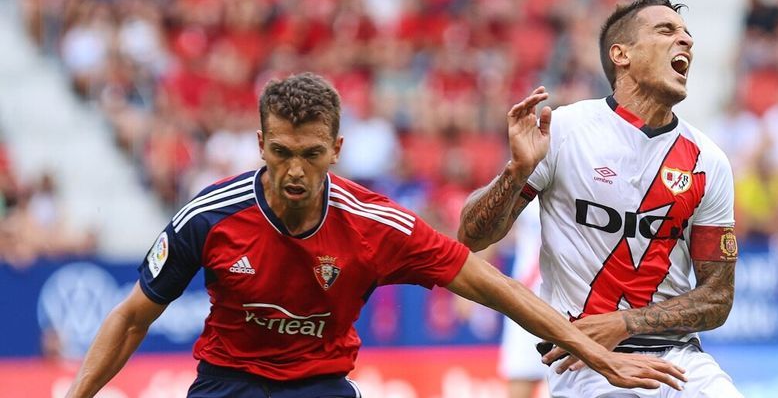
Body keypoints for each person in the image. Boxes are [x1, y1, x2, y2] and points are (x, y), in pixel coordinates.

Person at [65, 73, 686, 398]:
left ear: (337, 149)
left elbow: (490, 285)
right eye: (280, 152)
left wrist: (595, 353)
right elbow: (130, 318)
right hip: (228, 383)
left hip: (318, 386)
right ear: (260, 145)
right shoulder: (209, 216)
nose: (294, 172)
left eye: (310, 154)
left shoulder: (375, 225)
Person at [458, 0, 743, 397]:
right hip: (586, 362)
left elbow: (717, 298)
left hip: (681, 361)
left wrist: (626, 323)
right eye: (667, 30)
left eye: (687, 34)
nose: (686, 41)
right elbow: (471, 237)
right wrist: (516, 171)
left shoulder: (707, 160)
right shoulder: (564, 130)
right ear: (621, 54)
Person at [498, 200, 548, 398]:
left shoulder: (581, 179)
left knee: (570, 381)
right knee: (519, 376)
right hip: (524, 300)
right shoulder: (526, 180)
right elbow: (493, 226)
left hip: (568, 300)